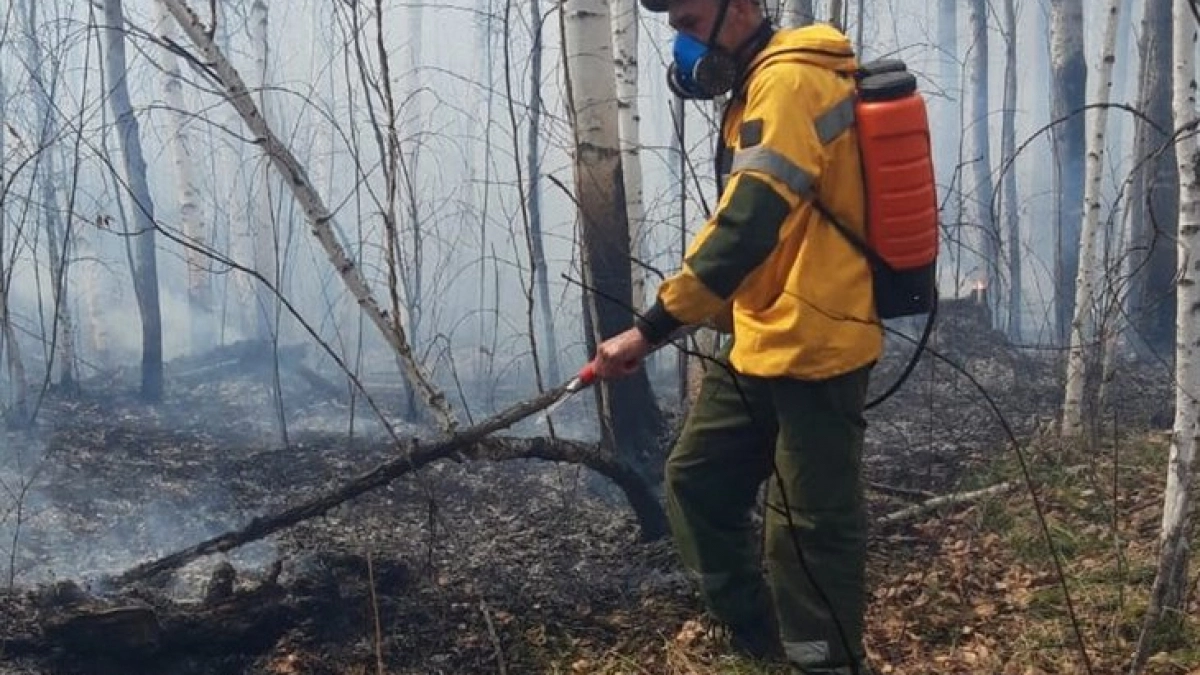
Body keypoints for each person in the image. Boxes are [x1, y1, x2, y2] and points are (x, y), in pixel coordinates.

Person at [590, 0, 881, 673]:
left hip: (819, 344)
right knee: (697, 481)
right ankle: (761, 643)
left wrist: (652, 327)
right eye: (679, 32)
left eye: (693, 24)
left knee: (806, 533)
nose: (687, 48)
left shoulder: (789, 81)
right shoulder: (758, 82)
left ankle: (823, 662)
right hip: (761, 335)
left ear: (742, 8)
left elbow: (748, 223)